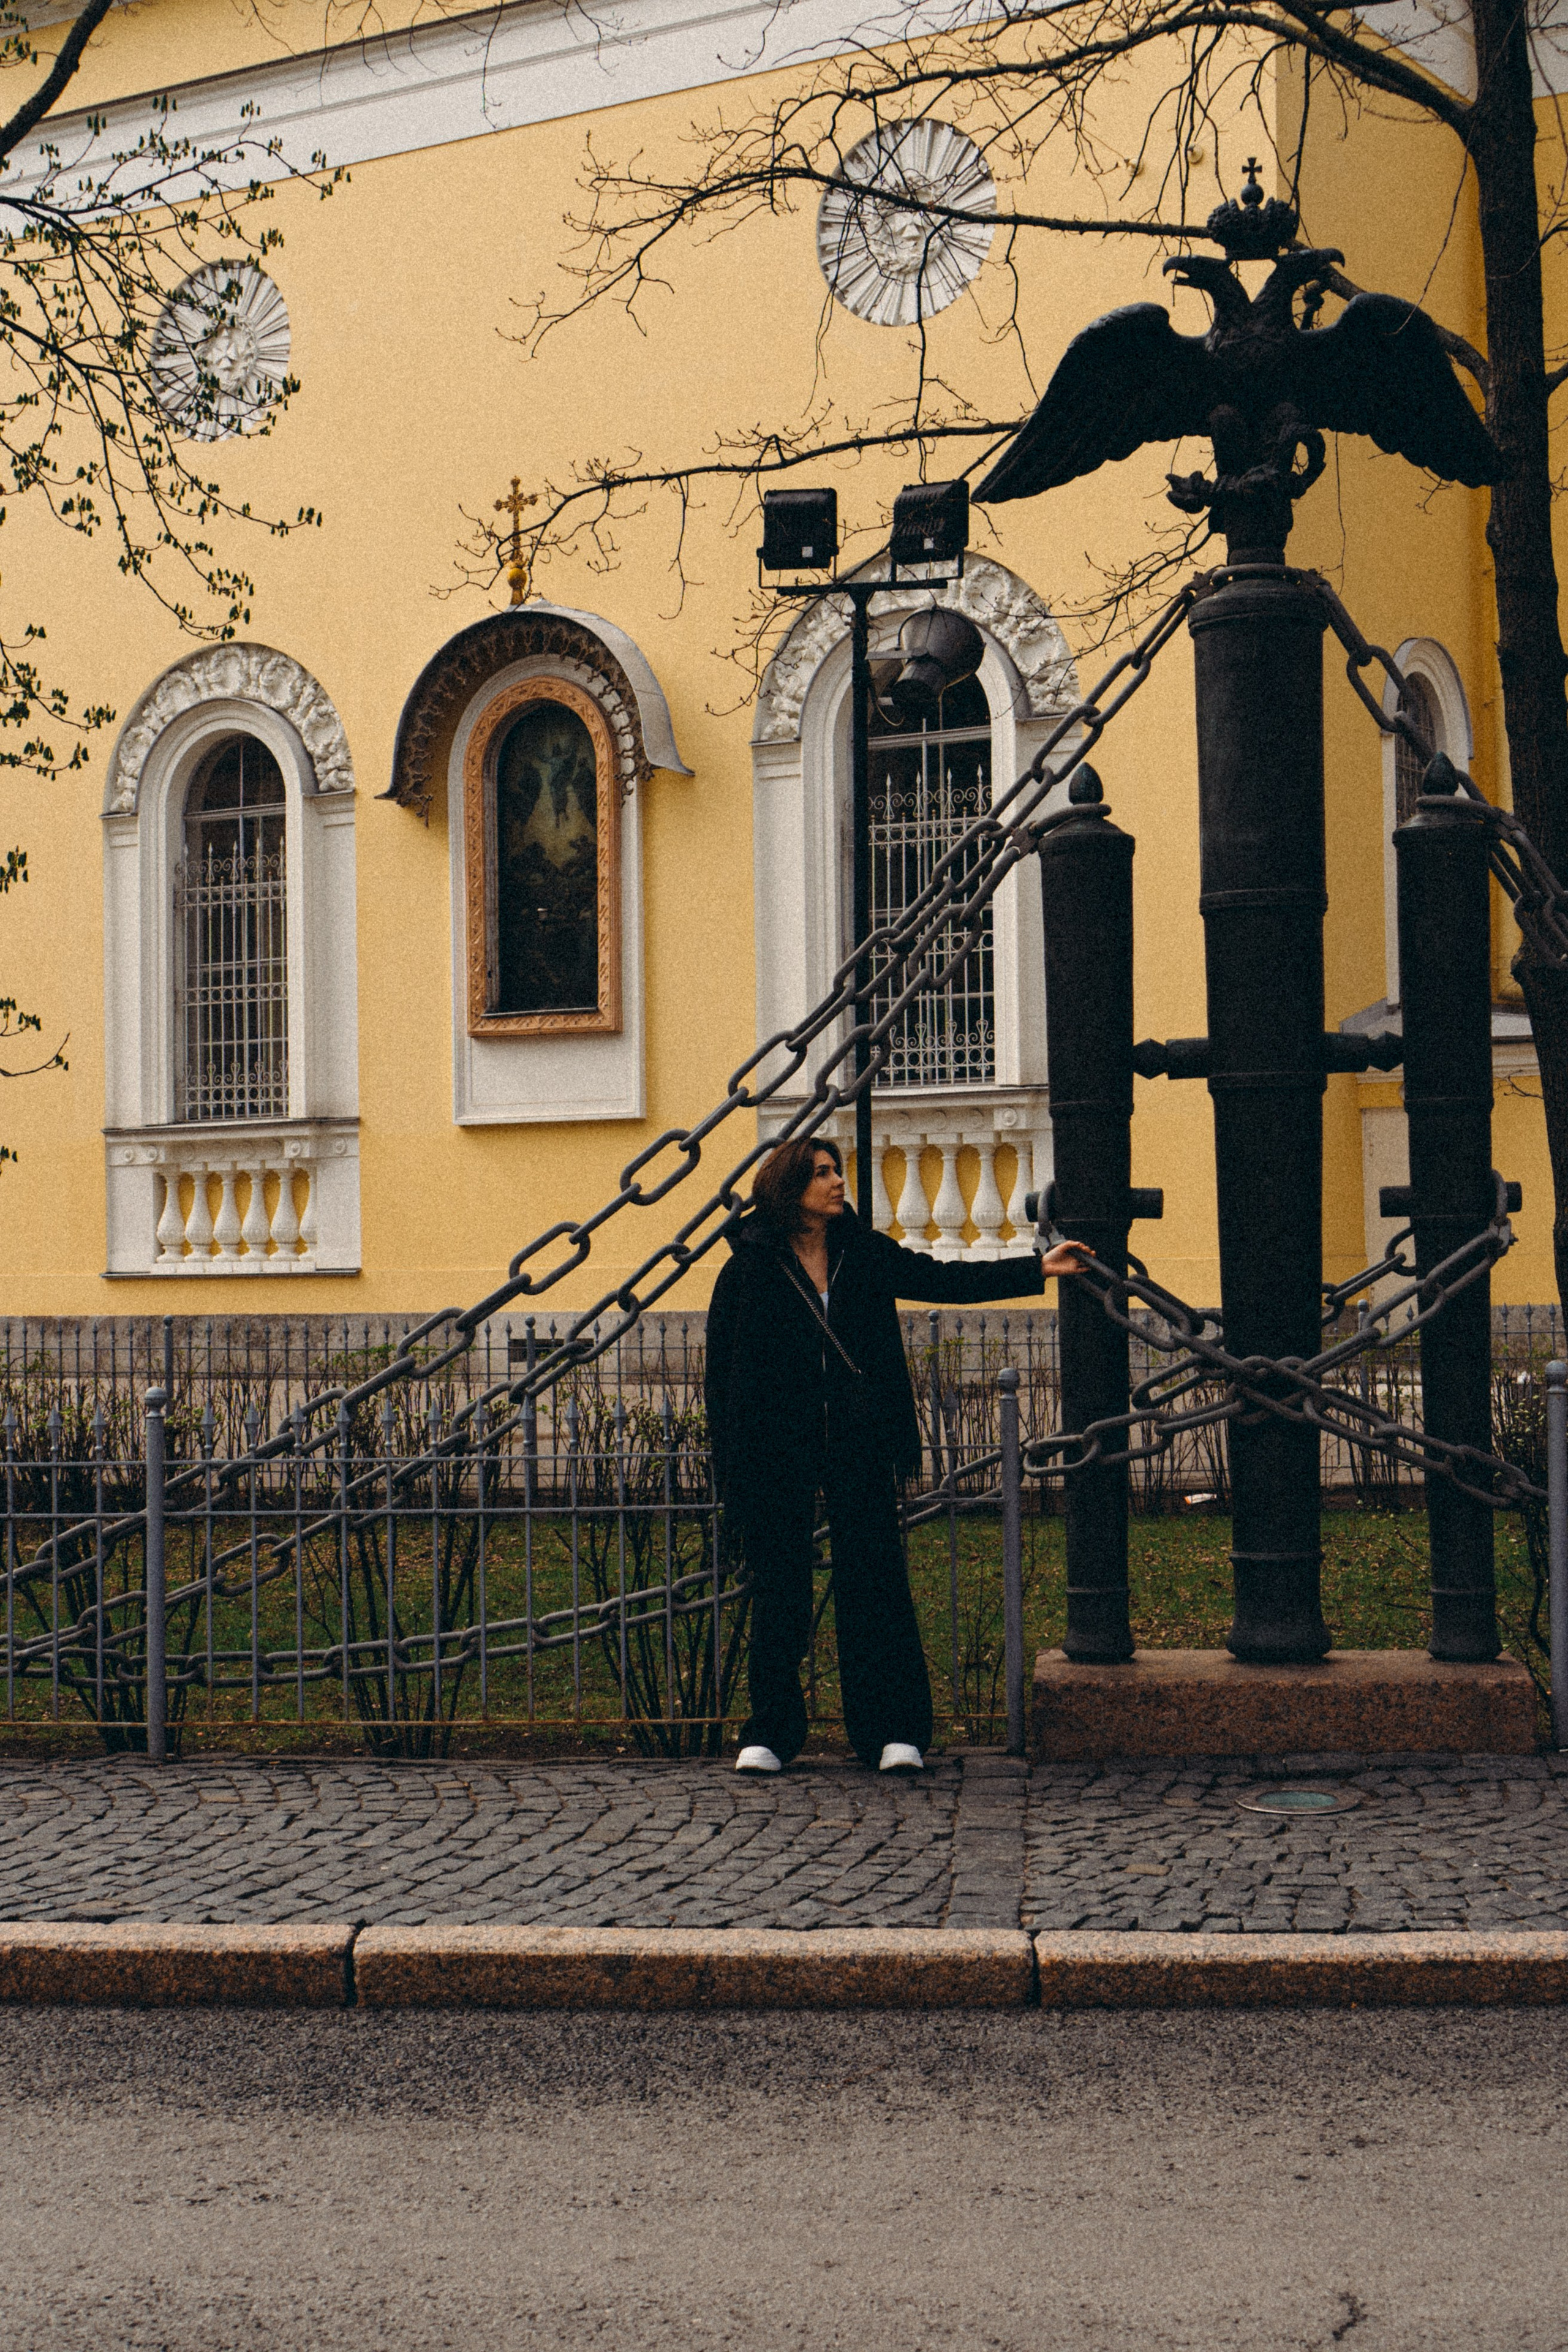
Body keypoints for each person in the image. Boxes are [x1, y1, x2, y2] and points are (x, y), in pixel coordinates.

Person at [703, 1136, 1086, 1775]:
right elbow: (724, 1375)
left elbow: (939, 1278)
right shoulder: (749, 1267)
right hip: (778, 1448)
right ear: (790, 1186)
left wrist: (1037, 1267)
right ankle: (769, 1732)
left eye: (835, 1171)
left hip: (859, 1439)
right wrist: (732, 1465)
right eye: (821, 1173)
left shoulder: (862, 1251)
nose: (835, 1182)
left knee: (874, 1584)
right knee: (781, 1590)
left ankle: (891, 1732)